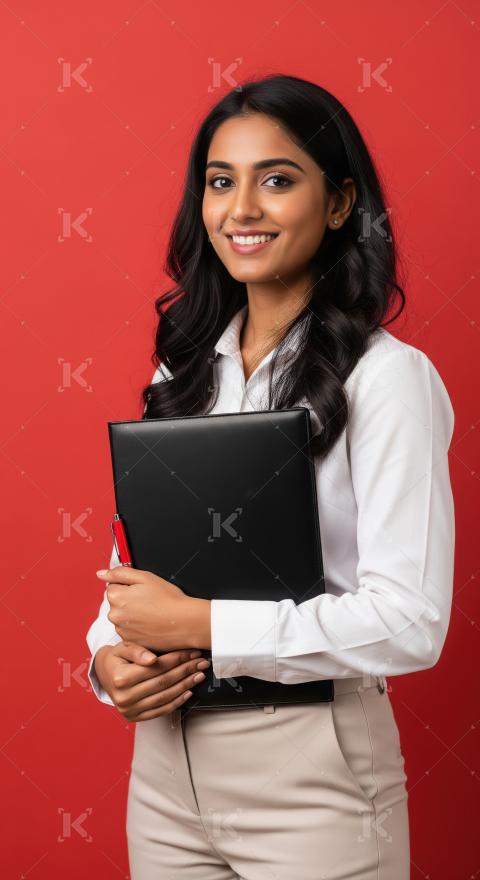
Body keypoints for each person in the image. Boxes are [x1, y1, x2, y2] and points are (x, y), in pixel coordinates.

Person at [85, 73, 455, 879]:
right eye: (221, 182)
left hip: (312, 771)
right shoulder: (184, 369)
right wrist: (110, 662)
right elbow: (143, 569)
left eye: (276, 180)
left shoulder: (389, 379)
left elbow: (411, 620)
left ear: (339, 202)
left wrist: (205, 626)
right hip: (166, 771)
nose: (241, 209)